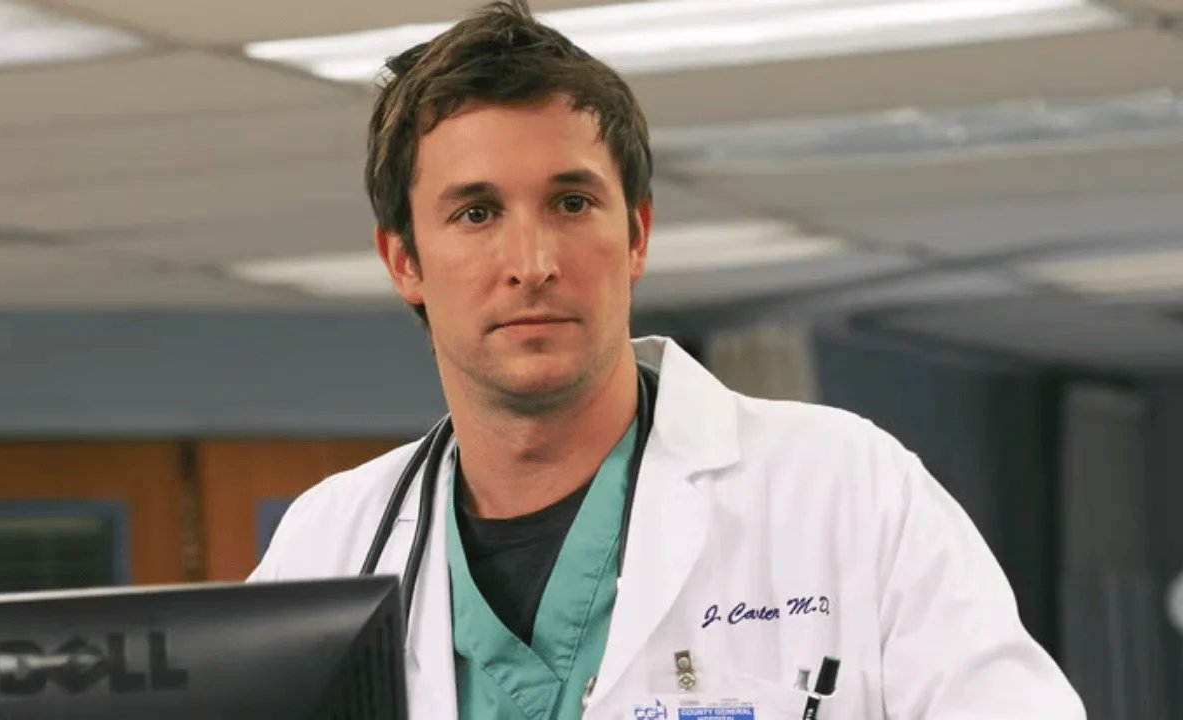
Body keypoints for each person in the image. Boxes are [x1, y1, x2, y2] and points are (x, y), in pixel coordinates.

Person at [248, 1, 1087, 718]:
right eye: (476, 213)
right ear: (403, 261)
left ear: (637, 234)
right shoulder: (329, 546)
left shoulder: (846, 491)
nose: (532, 262)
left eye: (571, 202)